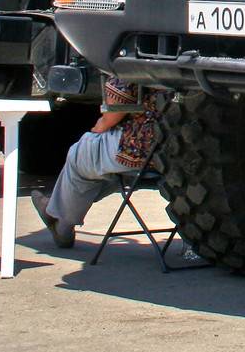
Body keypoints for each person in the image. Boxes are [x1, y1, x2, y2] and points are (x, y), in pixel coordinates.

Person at [31, 74, 161, 249]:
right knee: (107, 170)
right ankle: (56, 212)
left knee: (82, 152)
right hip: (184, 154)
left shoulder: (142, 55)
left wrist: (100, 126)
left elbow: (113, 112)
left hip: (144, 151)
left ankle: (60, 222)